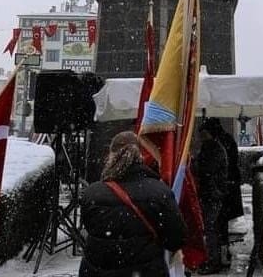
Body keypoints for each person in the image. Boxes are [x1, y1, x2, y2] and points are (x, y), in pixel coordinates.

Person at [79, 131, 186, 277]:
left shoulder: (92, 193)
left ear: (111, 155)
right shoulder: (159, 192)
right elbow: (176, 238)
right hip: (146, 271)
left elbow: (89, 229)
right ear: (141, 155)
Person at [204, 118, 243, 267]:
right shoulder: (227, 140)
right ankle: (224, 254)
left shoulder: (216, 145)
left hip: (221, 191)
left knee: (217, 226)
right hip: (227, 189)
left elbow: (214, 172)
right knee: (222, 225)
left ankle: (220, 257)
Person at [193, 120, 228, 274]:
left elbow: (206, 171)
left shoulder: (213, 149)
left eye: (203, 134)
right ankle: (213, 260)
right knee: (212, 229)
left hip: (211, 195)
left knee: (210, 229)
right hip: (213, 194)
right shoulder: (213, 148)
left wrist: (194, 163)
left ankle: (213, 261)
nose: (201, 137)